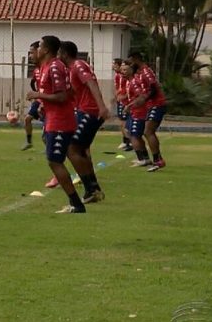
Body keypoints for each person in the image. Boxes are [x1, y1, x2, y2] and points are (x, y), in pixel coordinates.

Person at [26, 35, 86, 214]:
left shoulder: (54, 66)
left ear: (45, 50)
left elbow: (62, 96)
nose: (35, 51)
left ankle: (77, 202)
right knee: (56, 160)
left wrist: (38, 96)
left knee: (55, 161)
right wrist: (43, 105)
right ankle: (81, 196)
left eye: (39, 47)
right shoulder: (45, 67)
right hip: (53, 119)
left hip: (60, 120)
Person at [59, 41, 111, 204]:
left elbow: (91, 83)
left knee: (71, 148)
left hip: (90, 111)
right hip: (84, 111)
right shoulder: (70, 70)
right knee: (80, 150)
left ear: (65, 54)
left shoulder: (78, 65)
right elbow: (74, 92)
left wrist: (101, 106)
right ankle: (93, 188)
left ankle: (91, 188)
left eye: (58, 53)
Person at [128, 52, 167, 172]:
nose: (130, 65)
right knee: (147, 132)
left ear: (136, 59)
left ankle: (158, 160)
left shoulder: (146, 71)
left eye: (130, 62)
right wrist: (136, 102)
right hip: (152, 105)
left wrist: (144, 99)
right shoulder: (141, 73)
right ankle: (157, 160)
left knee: (148, 131)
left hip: (158, 104)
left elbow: (154, 88)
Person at [121, 60, 150, 167]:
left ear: (131, 70)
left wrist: (129, 105)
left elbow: (141, 97)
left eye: (125, 70)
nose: (122, 72)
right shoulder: (129, 81)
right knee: (129, 132)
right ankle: (144, 158)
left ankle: (142, 159)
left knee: (135, 136)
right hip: (134, 112)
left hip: (139, 112)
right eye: (122, 70)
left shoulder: (134, 82)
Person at [22, 41, 42, 151]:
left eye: (32, 52)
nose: (30, 56)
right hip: (40, 99)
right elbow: (32, 82)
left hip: (48, 100)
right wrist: (35, 94)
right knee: (27, 119)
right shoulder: (36, 70)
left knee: (48, 125)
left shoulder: (49, 67)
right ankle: (29, 141)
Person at [112, 58, 133, 151]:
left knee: (124, 123)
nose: (112, 66)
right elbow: (118, 88)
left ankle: (129, 142)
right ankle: (126, 141)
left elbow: (127, 89)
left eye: (114, 64)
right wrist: (116, 96)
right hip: (121, 100)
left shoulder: (125, 76)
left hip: (126, 102)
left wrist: (123, 96)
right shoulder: (117, 75)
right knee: (122, 122)